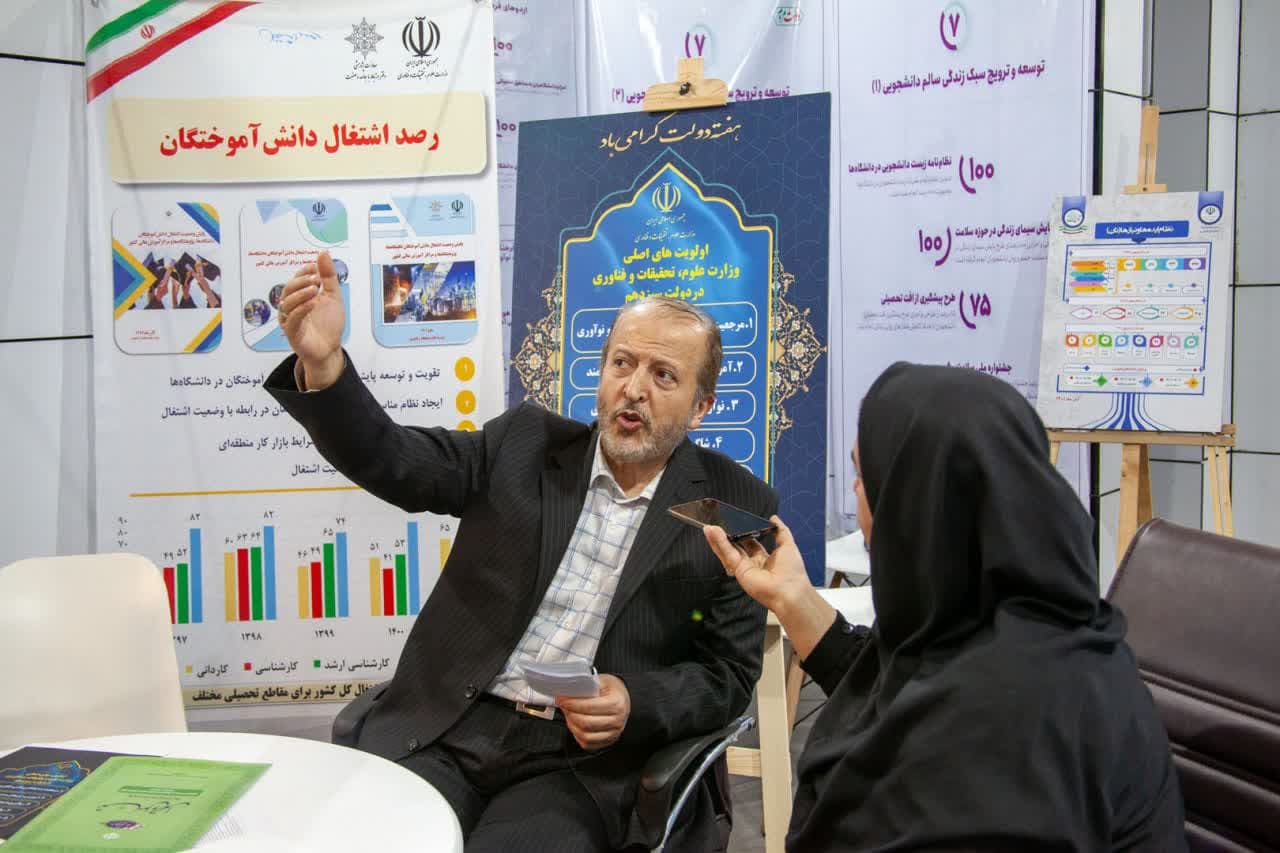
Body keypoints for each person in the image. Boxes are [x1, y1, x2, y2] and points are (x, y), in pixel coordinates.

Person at [265, 251, 775, 852]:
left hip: (575, 763)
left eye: (664, 376)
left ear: (701, 407)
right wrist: (324, 364)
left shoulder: (734, 506)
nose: (633, 389)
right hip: (450, 728)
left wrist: (634, 702)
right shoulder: (524, 446)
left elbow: (726, 674)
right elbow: (394, 459)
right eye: (622, 363)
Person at [704, 362, 1187, 852]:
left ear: (918, 505)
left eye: (864, 477)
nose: (855, 495)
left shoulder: (1004, 737)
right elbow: (894, 681)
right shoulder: (1020, 623)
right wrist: (793, 598)